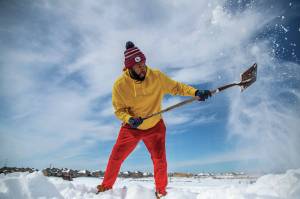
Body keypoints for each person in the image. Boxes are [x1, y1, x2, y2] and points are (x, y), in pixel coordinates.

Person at [97, 41, 211, 198]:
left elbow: (176, 87)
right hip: (131, 128)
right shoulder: (120, 85)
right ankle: (105, 188)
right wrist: (129, 119)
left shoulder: (156, 76)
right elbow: (119, 110)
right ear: (129, 67)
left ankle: (161, 192)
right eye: (138, 66)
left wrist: (196, 92)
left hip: (155, 126)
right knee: (116, 157)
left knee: (160, 160)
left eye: (143, 64)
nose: (143, 68)